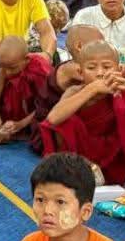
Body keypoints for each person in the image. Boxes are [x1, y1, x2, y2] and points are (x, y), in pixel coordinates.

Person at [42, 40, 125, 184]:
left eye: (106, 67)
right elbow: (53, 119)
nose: (100, 73)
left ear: (119, 69)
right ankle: (73, 170)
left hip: (113, 153)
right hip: (80, 154)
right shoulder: (75, 91)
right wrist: (92, 89)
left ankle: (108, 179)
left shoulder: (123, 89)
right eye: (91, 68)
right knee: (67, 122)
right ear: (80, 72)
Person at [28, 25, 104, 154]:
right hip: (50, 130)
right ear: (79, 46)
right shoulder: (71, 69)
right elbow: (104, 79)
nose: (103, 49)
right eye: (99, 44)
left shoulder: (81, 66)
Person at [0, 36, 52, 144]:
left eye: (12, 68)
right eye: (3, 66)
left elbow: (44, 105)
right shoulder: (5, 68)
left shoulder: (39, 70)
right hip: (11, 114)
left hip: (36, 115)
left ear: (26, 59)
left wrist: (20, 124)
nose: (8, 72)